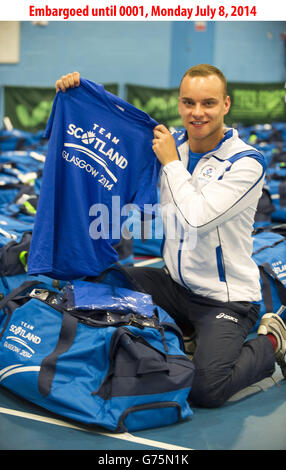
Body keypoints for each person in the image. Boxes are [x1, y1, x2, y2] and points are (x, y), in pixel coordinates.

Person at [55, 67, 286, 408]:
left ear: (225, 104)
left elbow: (196, 219)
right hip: (174, 287)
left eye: (208, 103)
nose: (197, 112)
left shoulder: (246, 163)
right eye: (189, 102)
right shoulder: (171, 144)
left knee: (207, 389)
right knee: (97, 284)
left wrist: (172, 164)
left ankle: (273, 341)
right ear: (179, 104)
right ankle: (184, 333)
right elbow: (117, 129)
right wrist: (79, 92)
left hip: (226, 300)